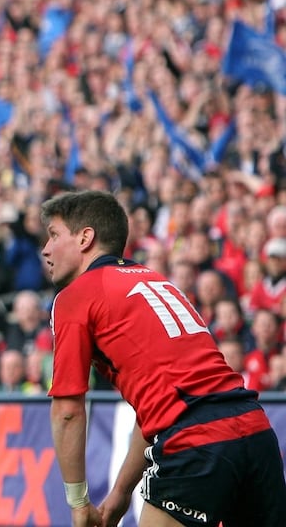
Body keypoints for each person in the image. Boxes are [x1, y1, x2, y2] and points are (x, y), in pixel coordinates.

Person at [42, 190, 286, 527]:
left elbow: (67, 411)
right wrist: (120, 494)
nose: (45, 248)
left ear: (85, 238)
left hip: (195, 444)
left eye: (53, 235)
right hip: (256, 435)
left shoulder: (76, 297)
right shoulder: (159, 282)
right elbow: (159, 404)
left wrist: (79, 503)